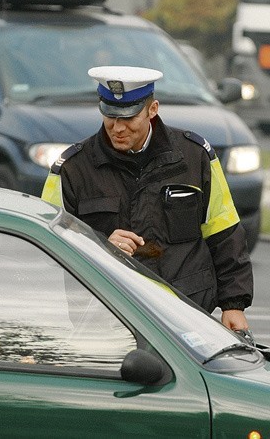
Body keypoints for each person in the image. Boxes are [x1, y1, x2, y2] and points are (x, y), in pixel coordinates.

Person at [41, 65, 254, 333]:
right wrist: (98, 248)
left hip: (187, 315)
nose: (117, 128)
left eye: (128, 117)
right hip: (108, 317)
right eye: (109, 116)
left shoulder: (194, 156)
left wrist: (233, 304)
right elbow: (48, 248)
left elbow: (224, 232)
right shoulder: (71, 169)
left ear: (152, 110)